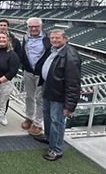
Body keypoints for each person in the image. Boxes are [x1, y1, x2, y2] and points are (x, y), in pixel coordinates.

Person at [33, 29, 81, 161]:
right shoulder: (54, 50)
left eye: (57, 38)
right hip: (48, 88)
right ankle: (48, 137)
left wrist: (70, 106)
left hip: (59, 95)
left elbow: (73, 83)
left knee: (57, 122)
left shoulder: (71, 56)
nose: (54, 40)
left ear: (66, 39)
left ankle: (56, 149)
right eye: (52, 38)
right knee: (47, 116)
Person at [21, 17, 51, 136]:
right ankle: (29, 117)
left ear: (41, 27)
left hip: (42, 74)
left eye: (36, 26)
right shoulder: (25, 37)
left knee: (40, 99)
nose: (33, 29)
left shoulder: (47, 39)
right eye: (31, 27)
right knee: (29, 96)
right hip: (28, 72)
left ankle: (38, 124)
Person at [0, 19, 22, 125]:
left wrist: (13, 68)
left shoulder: (14, 40)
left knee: (4, 96)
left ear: (7, 27)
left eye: (4, 25)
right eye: (1, 25)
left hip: (7, 73)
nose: (2, 27)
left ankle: (2, 114)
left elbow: (18, 55)